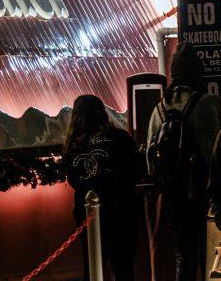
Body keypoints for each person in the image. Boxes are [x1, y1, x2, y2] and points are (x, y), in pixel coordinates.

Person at [146, 43, 221, 281]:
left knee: (184, 257)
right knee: (211, 255)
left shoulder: (159, 109)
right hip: (207, 196)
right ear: (197, 73)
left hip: (173, 198)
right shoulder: (209, 103)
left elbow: (149, 157)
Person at [62, 94, 140, 281]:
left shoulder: (73, 147)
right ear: (102, 113)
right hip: (122, 211)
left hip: (88, 215)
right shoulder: (121, 138)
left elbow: (74, 181)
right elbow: (136, 171)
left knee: (93, 268)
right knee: (124, 269)